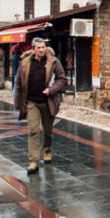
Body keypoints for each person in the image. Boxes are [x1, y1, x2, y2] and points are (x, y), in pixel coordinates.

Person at [13, 38, 67, 174]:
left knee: (48, 130)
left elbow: (61, 78)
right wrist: (17, 102)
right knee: (33, 130)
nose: (41, 50)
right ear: (33, 49)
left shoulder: (53, 61)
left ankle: (47, 149)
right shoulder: (25, 63)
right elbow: (18, 83)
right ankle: (33, 161)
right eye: (38, 47)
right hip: (31, 102)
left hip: (48, 101)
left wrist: (52, 90)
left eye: (43, 47)